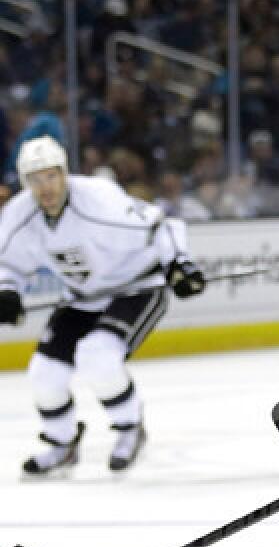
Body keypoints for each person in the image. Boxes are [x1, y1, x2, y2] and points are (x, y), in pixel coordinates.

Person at [0, 136, 206, 474]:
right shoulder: (20, 215)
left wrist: (179, 263)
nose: (45, 187)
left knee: (98, 356)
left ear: (64, 173)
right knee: (43, 374)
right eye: (35, 180)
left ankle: (129, 428)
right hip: (82, 298)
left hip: (136, 287)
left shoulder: (99, 199)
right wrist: (7, 292)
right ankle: (61, 443)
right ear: (25, 183)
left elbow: (162, 225)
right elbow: (9, 264)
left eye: (51, 176)